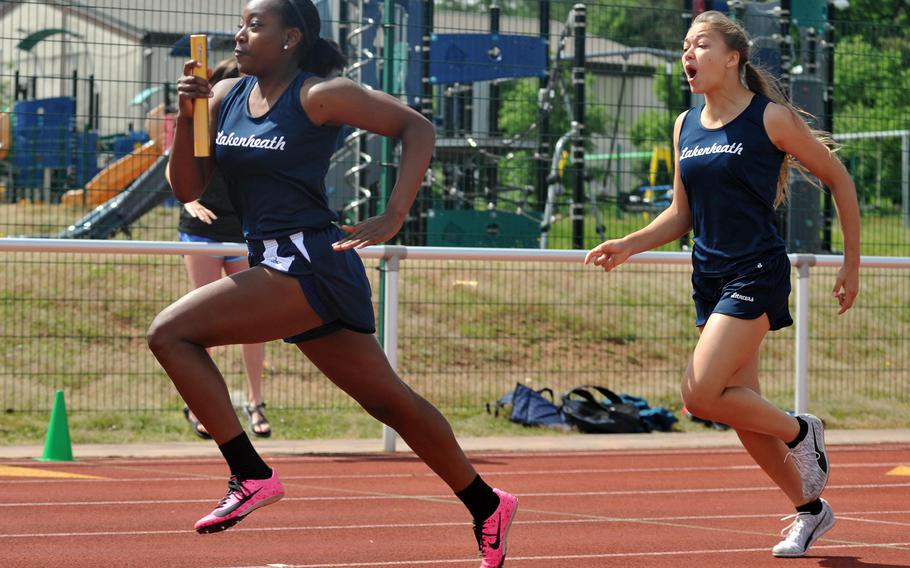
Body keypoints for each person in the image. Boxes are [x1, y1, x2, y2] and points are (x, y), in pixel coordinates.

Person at [147, 1, 517, 565]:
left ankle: (250, 473)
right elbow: (186, 186)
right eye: (241, 24)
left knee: (170, 334)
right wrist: (189, 115)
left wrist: (395, 214)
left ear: (291, 37)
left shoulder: (319, 95)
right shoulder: (222, 99)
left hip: (309, 262)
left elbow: (416, 128)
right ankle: (487, 502)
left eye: (255, 25)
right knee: (389, 401)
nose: (240, 35)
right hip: (278, 263)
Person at [584, 10, 859, 559]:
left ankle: (801, 431)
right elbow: (680, 214)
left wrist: (851, 263)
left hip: (755, 270)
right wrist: (630, 243)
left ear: (732, 57)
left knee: (700, 394)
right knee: (740, 409)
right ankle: (810, 512)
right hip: (708, 277)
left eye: (700, 45)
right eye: (685, 46)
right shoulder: (685, 125)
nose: (688, 55)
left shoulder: (770, 118)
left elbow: (837, 177)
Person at [178, 58, 271, 440]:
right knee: (202, 320)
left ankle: (255, 402)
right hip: (202, 233)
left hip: (244, 233)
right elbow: (178, 173)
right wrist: (188, 201)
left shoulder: (262, 122)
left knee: (255, 323)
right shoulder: (203, 119)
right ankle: (199, 404)